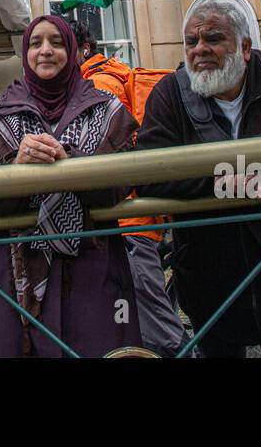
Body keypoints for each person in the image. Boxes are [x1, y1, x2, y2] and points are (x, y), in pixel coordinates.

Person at [137, 0, 261, 357]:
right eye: (191, 42)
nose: (199, 50)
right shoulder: (169, 93)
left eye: (213, 38)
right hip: (211, 282)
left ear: (245, 47)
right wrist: (231, 181)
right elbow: (151, 175)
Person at [0, 15, 142, 357]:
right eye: (36, 43)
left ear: (73, 50)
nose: (45, 51)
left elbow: (120, 184)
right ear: (25, 53)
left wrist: (71, 162)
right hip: (13, 269)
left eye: (56, 43)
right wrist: (16, 168)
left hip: (91, 266)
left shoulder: (106, 108)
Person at [72, 18, 189, 358]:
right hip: (136, 213)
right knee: (139, 305)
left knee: (151, 309)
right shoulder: (111, 75)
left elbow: (105, 147)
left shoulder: (99, 82)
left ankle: (182, 353)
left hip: (128, 217)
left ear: (84, 50)